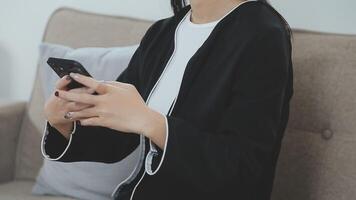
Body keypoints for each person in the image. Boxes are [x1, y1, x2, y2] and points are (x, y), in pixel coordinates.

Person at [41, 0, 294, 199]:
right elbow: (116, 140)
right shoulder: (162, 33)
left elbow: (242, 168)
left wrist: (152, 123)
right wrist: (63, 121)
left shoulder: (262, 35)